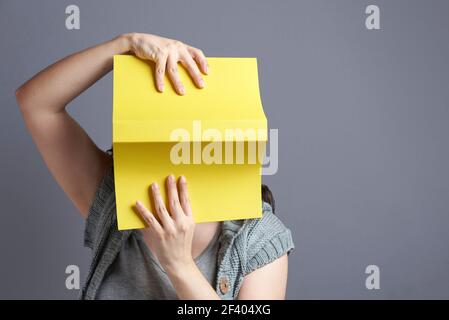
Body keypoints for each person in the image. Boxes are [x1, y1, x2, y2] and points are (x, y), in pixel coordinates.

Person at [15, 33, 294, 300]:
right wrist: (124, 45)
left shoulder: (261, 239)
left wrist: (179, 265)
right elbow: (37, 104)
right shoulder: (115, 200)